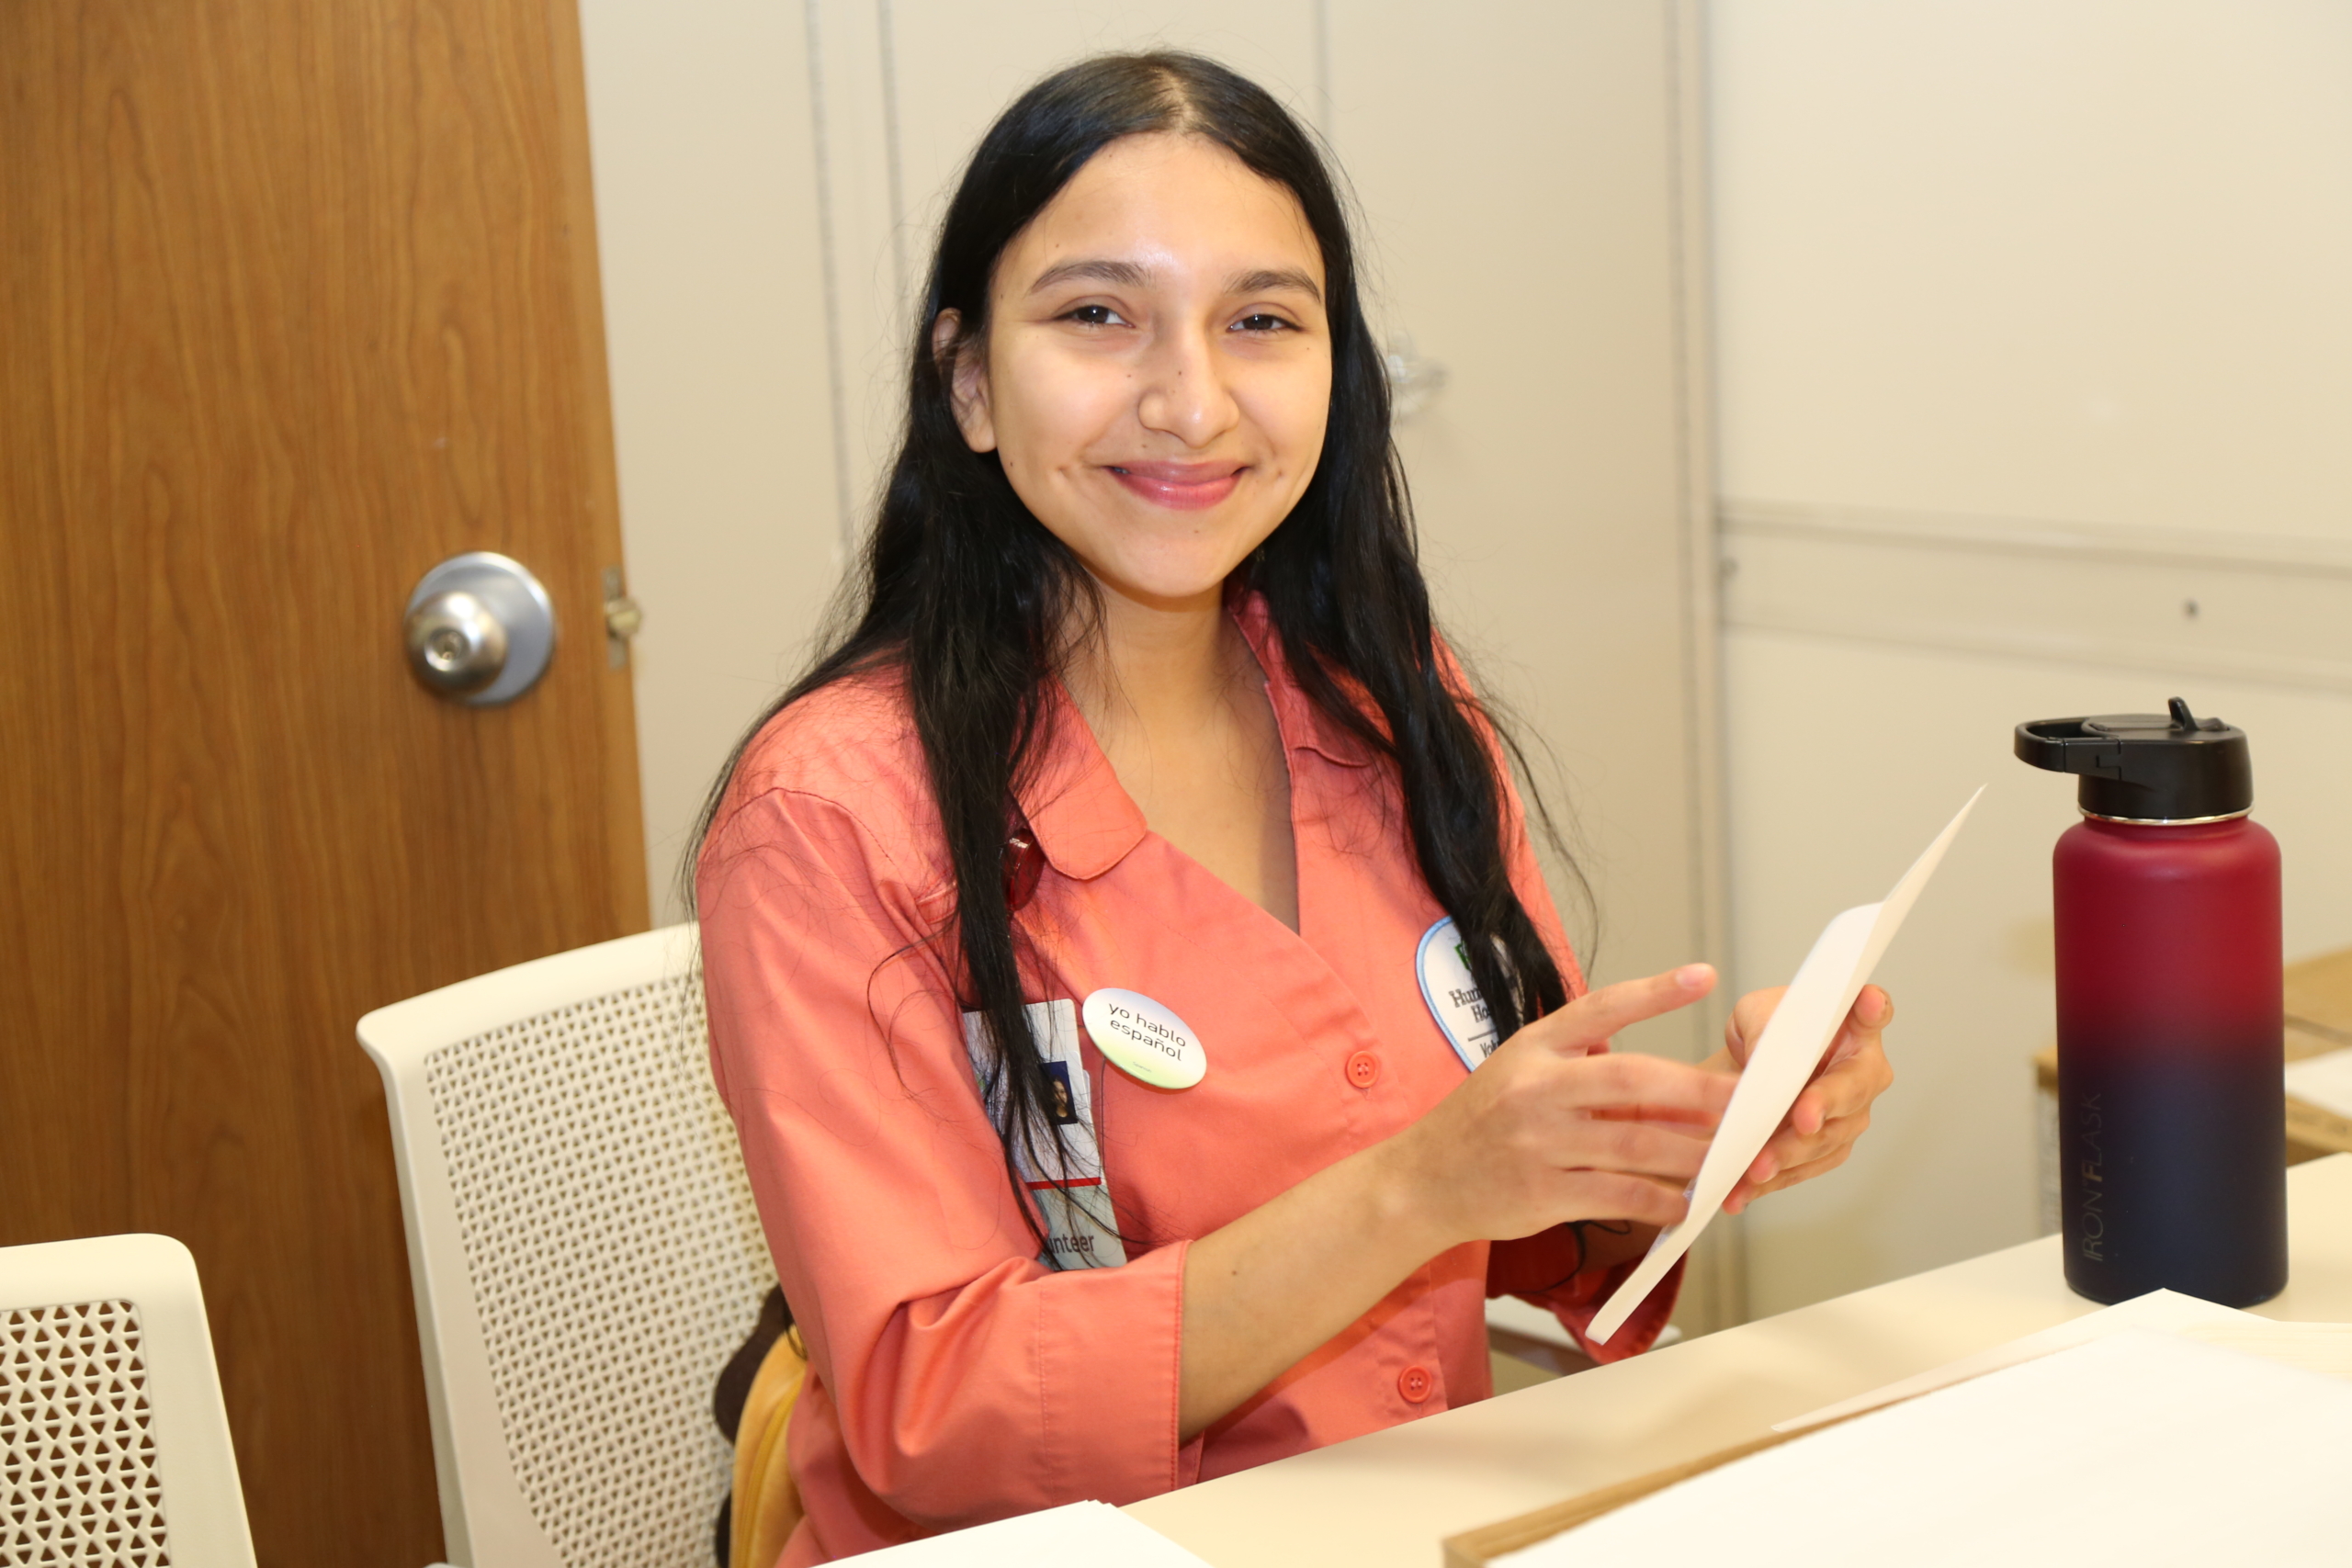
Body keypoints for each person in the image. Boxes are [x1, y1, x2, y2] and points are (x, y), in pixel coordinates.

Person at [694, 51, 1894, 1565]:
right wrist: (1415, 1189)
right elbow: (935, 1410)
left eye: (1262, 321)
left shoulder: (1390, 709)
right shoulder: (834, 813)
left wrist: (1701, 1139)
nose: (1191, 403)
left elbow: (1508, 1219)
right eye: (1095, 316)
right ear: (972, 384)